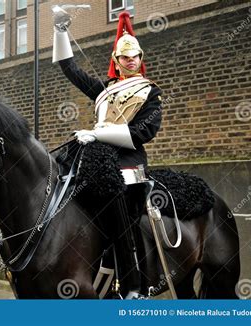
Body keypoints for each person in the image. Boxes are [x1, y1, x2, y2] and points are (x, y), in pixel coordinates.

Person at [52, 9, 163, 298]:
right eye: (125, 57)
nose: (130, 60)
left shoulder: (150, 93)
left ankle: (132, 286)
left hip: (128, 164)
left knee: (117, 207)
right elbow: (69, 68)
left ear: (140, 59)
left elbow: (142, 133)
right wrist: (61, 30)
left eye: (135, 56)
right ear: (116, 60)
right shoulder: (104, 90)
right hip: (96, 158)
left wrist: (97, 133)